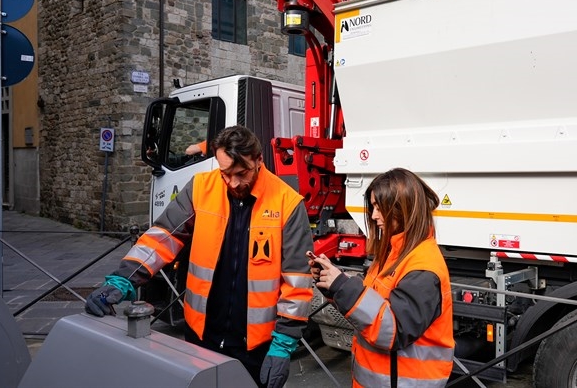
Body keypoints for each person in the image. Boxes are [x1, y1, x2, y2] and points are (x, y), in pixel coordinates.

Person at [86, 125, 315, 388]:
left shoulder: (288, 203)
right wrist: (124, 279)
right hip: (200, 335)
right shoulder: (200, 188)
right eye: (225, 173)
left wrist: (284, 342)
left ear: (259, 160)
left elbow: (297, 281)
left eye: (242, 173)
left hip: (256, 346)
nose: (233, 183)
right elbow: (164, 237)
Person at [311, 168, 455, 388]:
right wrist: (332, 284)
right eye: (373, 207)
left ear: (403, 208)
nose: (374, 215)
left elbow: (392, 329)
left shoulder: (423, 267)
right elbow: (372, 306)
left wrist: (342, 286)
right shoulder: (391, 254)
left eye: (380, 207)